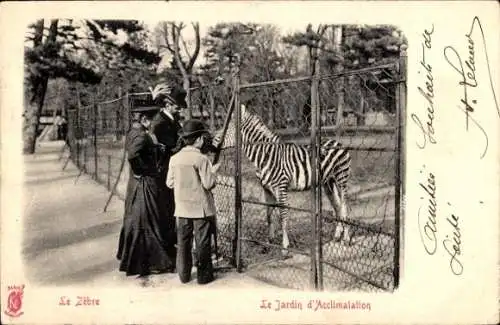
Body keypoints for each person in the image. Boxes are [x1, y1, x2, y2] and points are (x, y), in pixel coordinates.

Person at [116, 108, 176, 276]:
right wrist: (141, 170)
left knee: (137, 219)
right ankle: (153, 262)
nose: (152, 123)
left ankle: (136, 259)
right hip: (144, 183)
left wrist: (156, 148)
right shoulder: (141, 135)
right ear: (143, 119)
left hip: (137, 183)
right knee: (148, 220)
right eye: (150, 120)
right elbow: (133, 155)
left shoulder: (133, 132)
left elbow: (138, 151)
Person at [166, 119, 220, 284]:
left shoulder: (174, 159)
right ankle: (204, 277)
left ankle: (184, 275)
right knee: (202, 242)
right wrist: (213, 172)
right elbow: (208, 184)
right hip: (200, 209)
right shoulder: (202, 159)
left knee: (183, 242)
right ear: (199, 140)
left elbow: (169, 183)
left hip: (182, 208)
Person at [148, 82, 188, 266]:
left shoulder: (171, 120)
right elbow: (165, 151)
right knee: (165, 212)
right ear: (167, 105)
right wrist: (183, 143)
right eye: (177, 106)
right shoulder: (160, 123)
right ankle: (167, 254)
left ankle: (171, 251)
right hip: (163, 173)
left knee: (171, 211)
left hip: (171, 171)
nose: (179, 109)